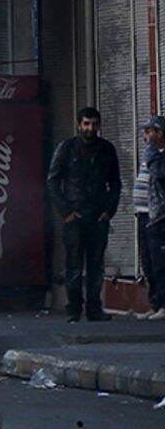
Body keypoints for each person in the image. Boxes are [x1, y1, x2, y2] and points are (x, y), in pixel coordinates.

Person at [47, 107, 122, 323]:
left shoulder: (106, 149)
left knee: (96, 265)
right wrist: (66, 212)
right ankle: (74, 309)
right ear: (79, 124)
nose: (90, 128)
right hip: (75, 215)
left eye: (94, 124)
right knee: (74, 266)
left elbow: (115, 182)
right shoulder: (67, 148)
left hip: (98, 215)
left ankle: (94, 308)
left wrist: (109, 210)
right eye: (87, 124)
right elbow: (53, 181)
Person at [140, 116, 165, 320]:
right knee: (149, 263)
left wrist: (150, 150)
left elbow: (158, 171)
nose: (145, 136)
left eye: (149, 132)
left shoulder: (157, 156)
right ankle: (155, 303)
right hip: (146, 214)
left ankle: (163, 305)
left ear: (160, 133)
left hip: (160, 217)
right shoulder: (152, 154)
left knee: (160, 263)